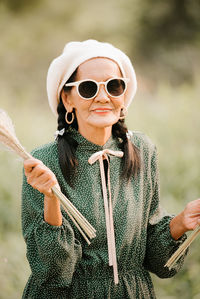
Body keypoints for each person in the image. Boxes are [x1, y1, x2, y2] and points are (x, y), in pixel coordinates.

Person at [22, 39, 200, 299]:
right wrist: (52, 199)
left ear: (124, 95)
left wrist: (181, 222)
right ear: (67, 98)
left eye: (114, 86)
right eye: (88, 88)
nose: (103, 97)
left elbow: (155, 260)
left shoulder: (142, 150)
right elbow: (52, 274)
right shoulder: (42, 162)